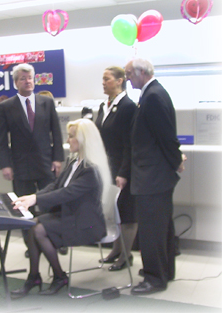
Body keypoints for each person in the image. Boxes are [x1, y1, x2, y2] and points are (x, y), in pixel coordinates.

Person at [10, 118, 111, 298]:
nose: (67, 141)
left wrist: (35, 199)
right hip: (73, 216)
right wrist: (33, 196)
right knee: (33, 226)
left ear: (83, 140)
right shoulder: (75, 161)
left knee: (38, 229)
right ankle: (36, 276)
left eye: (71, 137)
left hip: (87, 224)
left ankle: (57, 277)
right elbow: (56, 186)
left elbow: (66, 193)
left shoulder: (90, 170)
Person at [125, 58, 187, 295]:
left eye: (130, 73)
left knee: (152, 230)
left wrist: (176, 162)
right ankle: (164, 270)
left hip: (153, 177)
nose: (128, 78)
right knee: (162, 228)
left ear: (142, 73)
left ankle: (154, 278)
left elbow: (166, 136)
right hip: (156, 175)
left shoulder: (153, 96)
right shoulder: (152, 94)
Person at [0, 63, 65, 258]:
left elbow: (57, 134)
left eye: (30, 78)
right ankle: (32, 245)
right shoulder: (6, 107)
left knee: (51, 204)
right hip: (20, 165)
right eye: (23, 79)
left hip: (46, 163)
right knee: (24, 208)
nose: (28, 81)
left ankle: (56, 240)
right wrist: (5, 164)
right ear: (16, 82)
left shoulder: (47, 103)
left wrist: (58, 159)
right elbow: (1, 140)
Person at [95, 66, 137, 271]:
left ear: (120, 81)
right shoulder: (104, 106)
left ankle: (126, 255)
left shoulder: (128, 106)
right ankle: (116, 249)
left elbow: (131, 143)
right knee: (113, 211)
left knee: (127, 213)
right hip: (107, 167)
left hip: (122, 168)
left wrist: (124, 172)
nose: (103, 82)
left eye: (107, 79)